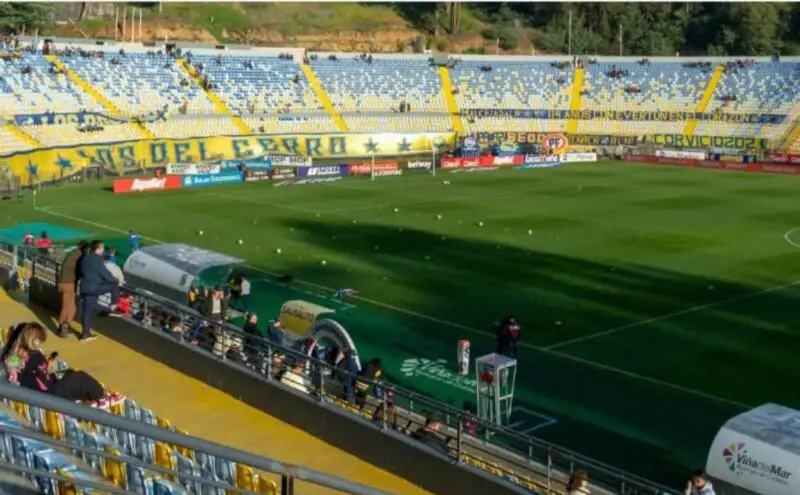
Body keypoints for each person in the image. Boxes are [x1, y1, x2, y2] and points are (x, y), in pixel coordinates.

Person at [4, 323, 105, 402]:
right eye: (39, 340)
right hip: (51, 392)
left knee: (70, 371)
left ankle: (95, 394)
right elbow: (12, 363)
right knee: (80, 377)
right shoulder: (26, 357)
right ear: (32, 340)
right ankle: (101, 396)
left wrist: (47, 366)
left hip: (51, 382)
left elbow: (37, 370)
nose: (40, 344)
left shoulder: (30, 355)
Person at [78, 240, 121, 342]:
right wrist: (115, 280)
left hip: (85, 287)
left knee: (87, 312)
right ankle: (113, 306)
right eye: (102, 248)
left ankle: (85, 334)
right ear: (98, 248)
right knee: (114, 285)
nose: (103, 250)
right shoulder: (97, 259)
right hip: (94, 288)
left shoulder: (85, 257)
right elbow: (104, 273)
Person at [57, 241, 88, 338]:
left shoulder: (73, 254)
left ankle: (65, 325)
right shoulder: (79, 257)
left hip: (66, 282)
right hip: (68, 283)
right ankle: (62, 326)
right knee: (67, 307)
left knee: (72, 308)